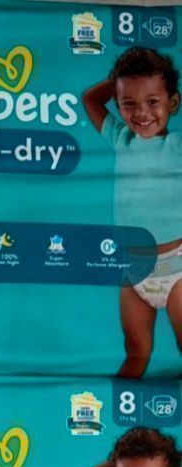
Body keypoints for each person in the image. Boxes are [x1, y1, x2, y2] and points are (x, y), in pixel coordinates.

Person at [83, 48, 182, 377]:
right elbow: (90, 99)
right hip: (133, 269)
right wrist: (118, 83)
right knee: (136, 350)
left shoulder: (178, 146)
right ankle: (123, 401)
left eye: (153, 101)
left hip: (177, 268)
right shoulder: (121, 138)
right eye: (129, 103)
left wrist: (128, 86)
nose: (141, 112)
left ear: (173, 103)